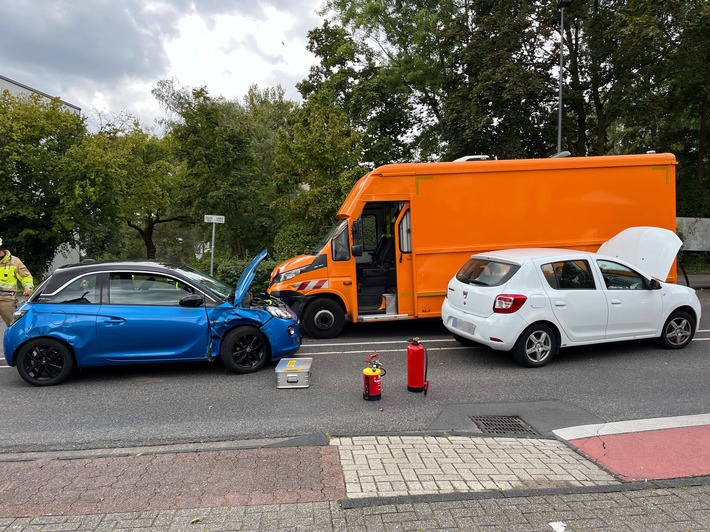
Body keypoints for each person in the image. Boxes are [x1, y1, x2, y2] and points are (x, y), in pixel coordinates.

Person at [0, 238, 34, 327]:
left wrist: (28, 287)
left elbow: (25, 276)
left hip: (6, 299)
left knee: (15, 326)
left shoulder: (14, 261)